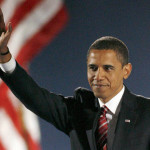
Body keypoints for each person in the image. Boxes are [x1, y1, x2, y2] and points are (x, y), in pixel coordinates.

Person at [0, 8, 150, 150]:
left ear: (126, 70)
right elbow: (35, 97)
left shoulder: (145, 113)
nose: (98, 76)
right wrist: (4, 55)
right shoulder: (78, 111)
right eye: (93, 68)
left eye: (107, 68)